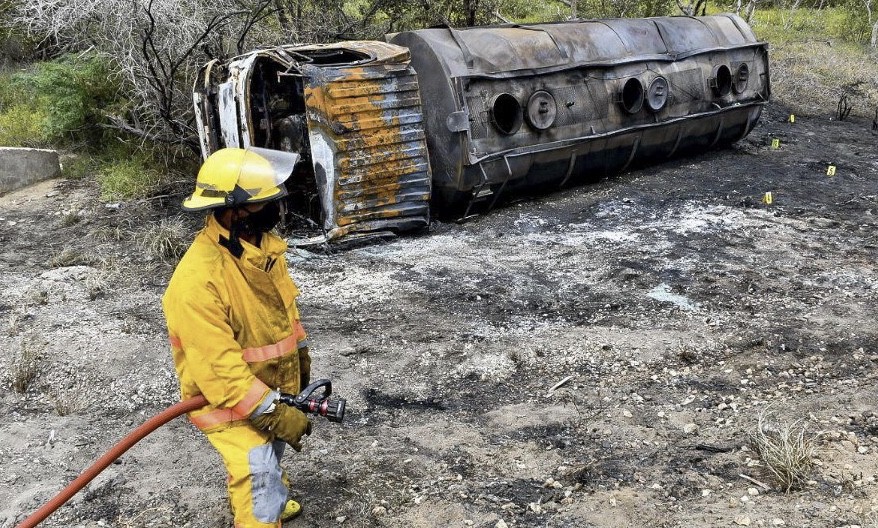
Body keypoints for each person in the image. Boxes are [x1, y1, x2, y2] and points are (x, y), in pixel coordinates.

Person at [162, 147, 313, 527]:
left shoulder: (261, 252)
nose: (274, 210)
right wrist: (274, 411)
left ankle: (275, 499)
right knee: (257, 470)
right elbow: (221, 372)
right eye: (264, 203)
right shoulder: (198, 281)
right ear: (233, 212)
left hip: (267, 384)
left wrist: (301, 360)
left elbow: (283, 317)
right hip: (225, 400)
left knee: (272, 450)